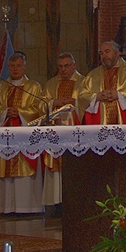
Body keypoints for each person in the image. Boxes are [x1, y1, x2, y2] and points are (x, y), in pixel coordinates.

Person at [0, 52, 46, 214]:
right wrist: (4, 112)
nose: (15, 69)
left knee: (24, 170)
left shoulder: (34, 87)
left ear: (24, 66)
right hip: (5, 136)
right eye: (12, 66)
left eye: (18, 65)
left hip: (24, 138)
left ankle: (27, 207)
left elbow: (38, 109)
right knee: (4, 168)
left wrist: (19, 112)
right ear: (8, 67)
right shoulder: (0, 87)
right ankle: (4, 207)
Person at [41, 52, 84, 208]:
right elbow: (41, 105)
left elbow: (90, 102)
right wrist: (55, 102)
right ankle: (56, 203)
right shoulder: (51, 84)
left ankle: (74, 202)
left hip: (75, 131)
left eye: (67, 66)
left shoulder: (84, 82)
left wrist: (76, 102)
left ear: (74, 65)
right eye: (60, 67)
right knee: (56, 166)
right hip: (56, 131)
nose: (64, 70)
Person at [77, 41, 126, 125]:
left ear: (117, 53)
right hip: (100, 124)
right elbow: (82, 95)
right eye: (101, 53)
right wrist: (97, 96)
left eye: (107, 52)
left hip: (124, 122)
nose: (104, 56)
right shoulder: (92, 75)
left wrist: (118, 95)